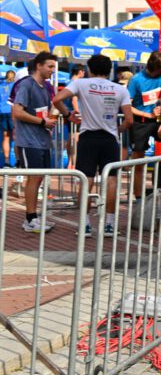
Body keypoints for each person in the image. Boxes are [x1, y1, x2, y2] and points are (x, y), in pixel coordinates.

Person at [52, 55, 133, 237]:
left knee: (86, 180)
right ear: (109, 70)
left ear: (90, 69)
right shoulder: (120, 89)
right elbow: (129, 119)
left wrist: (67, 115)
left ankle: (85, 225)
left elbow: (57, 99)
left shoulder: (81, 84)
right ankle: (109, 225)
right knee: (111, 180)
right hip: (110, 139)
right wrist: (116, 130)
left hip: (88, 137)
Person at [11, 52, 58, 232]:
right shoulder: (26, 85)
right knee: (33, 178)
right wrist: (42, 122)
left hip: (42, 140)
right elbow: (17, 112)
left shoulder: (45, 87)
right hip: (29, 141)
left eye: (54, 67)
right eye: (50, 66)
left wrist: (52, 117)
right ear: (39, 65)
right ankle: (30, 219)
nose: (52, 71)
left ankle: (34, 217)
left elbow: (45, 111)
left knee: (40, 179)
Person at [127, 51, 161, 199]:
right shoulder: (136, 80)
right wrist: (147, 115)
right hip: (140, 121)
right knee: (139, 160)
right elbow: (127, 105)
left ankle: (160, 189)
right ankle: (139, 197)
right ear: (155, 69)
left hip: (158, 119)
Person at [0, 69, 14, 168]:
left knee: (6, 137)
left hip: (2, 111)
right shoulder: (15, 86)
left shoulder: (1, 85)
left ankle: (6, 161)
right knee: (16, 137)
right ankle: (18, 161)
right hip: (13, 112)